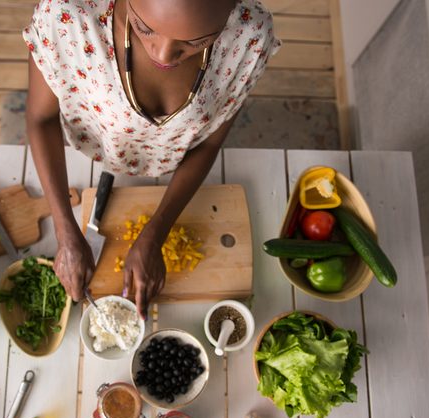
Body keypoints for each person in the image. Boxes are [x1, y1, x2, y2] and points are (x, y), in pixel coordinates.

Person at [24, 0, 279, 318]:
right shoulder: (67, 16)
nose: (162, 54)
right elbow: (40, 120)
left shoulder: (249, 36)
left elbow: (210, 144)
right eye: (144, 28)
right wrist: (64, 230)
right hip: (86, 157)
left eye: (195, 41)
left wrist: (157, 232)